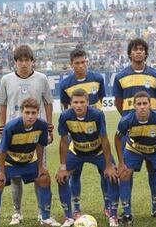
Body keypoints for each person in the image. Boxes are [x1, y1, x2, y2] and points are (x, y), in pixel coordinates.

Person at [0, 45, 54, 225]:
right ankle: (17, 212)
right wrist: (2, 125)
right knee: (14, 175)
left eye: (27, 60)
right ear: (15, 62)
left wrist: (49, 126)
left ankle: (41, 213)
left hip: (36, 133)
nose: (23, 63)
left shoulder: (42, 78)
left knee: (40, 172)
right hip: (14, 133)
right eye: (20, 60)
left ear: (32, 61)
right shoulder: (6, 79)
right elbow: (2, 104)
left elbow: (48, 102)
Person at [0, 98, 60, 227]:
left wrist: (40, 167)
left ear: (37, 113)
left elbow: (40, 145)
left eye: (33, 113)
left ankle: (46, 218)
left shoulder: (42, 125)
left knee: (44, 179)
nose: (30, 116)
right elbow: (2, 150)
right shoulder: (11, 127)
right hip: (8, 161)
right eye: (27, 112)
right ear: (22, 112)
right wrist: (1, 172)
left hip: (28, 160)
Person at [112, 38, 156, 217]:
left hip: (152, 130)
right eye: (135, 49)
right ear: (129, 54)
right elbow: (118, 103)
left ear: (146, 53)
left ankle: (155, 207)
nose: (139, 52)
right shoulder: (120, 77)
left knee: (153, 169)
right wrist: (129, 118)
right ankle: (127, 211)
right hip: (130, 129)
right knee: (127, 170)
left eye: (142, 49)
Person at [55, 89, 119, 227]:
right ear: (71, 103)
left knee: (113, 175)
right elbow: (64, 141)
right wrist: (62, 167)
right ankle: (69, 216)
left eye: (82, 102)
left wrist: (108, 166)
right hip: (76, 151)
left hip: (98, 151)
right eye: (75, 102)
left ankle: (113, 215)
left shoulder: (97, 114)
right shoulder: (65, 116)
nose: (78, 105)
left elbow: (104, 139)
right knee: (62, 177)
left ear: (88, 103)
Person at [59, 48, 110, 219]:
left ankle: (108, 205)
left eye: (83, 62)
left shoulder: (97, 78)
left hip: (96, 129)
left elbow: (101, 100)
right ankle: (76, 207)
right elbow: (66, 109)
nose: (80, 66)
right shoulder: (65, 84)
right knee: (76, 172)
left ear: (87, 61)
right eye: (77, 63)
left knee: (105, 172)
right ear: (71, 64)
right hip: (77, 134)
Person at [115, 91, 156, 224]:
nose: (142, 107)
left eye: (144, 103)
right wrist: (121, 163)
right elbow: (117, 139)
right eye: (139, 104)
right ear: (134, 106)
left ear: (150, 105)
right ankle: (127, 214)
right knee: (124, 175)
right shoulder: (126, 120)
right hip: (134, 149)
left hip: (155, 150)